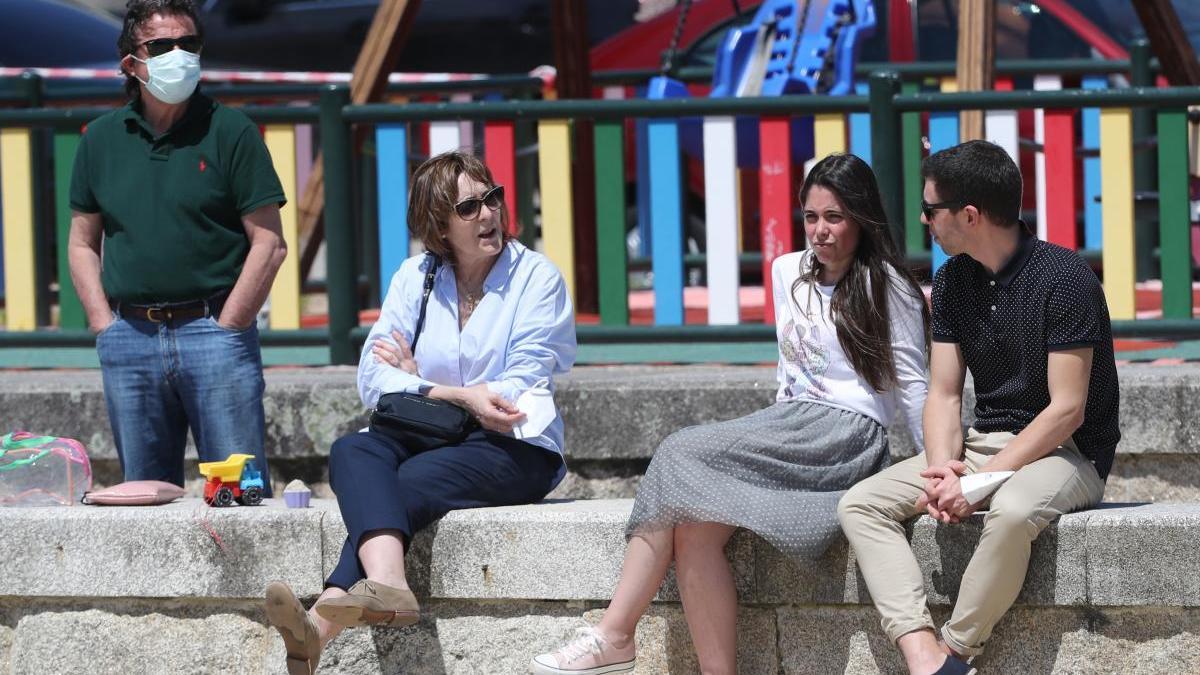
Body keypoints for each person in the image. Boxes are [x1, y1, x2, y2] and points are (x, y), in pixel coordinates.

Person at [531, 153, 929, 675]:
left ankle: (615, 633)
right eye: (811, 217)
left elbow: (915, 385)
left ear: (862, 217)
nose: (821, 231)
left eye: (835, 217)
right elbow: (789, 372)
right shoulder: (787, 271)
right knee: (694, 526)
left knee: (677, 449)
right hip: (788, 424)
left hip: (843, 438)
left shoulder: (889, 286)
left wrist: (938, 465)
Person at [264, 151, 575, 675]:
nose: (489, 214)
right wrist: (453, 393)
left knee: (395, 486)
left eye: (492, 198)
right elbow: (373, 378)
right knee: (353, 449)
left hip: (516, 446)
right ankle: (388, 589)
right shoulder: (416, 276)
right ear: (439, 225)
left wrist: (421, 382)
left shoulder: (536, 279)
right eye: (470, 207)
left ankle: (322, 621)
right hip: (437, 433)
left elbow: (514, 388)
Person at [837, 140, 1119, 675]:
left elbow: (1067, 410)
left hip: (1068, 453)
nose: (924, 220)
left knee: (1012, 513)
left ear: (969, 215)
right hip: (982, 445)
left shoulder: (1065, 278)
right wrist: (945, 467)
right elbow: (943, 393)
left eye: (931, 209)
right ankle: (921, 653)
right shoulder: (952, 279)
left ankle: (957, 653)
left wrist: (981, 482)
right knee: (859, 504)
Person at [68, 0, 287, 493]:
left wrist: (231, 324)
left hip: (214, 334)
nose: (179, 55)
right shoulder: (100, 139)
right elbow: (82, 243)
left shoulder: (232, 132)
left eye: (189, 44)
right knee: (142, 501)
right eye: (162, 46)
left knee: (241, 499)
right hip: (130, 337)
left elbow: (269, 243)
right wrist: (105, 326)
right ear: (132, 63)